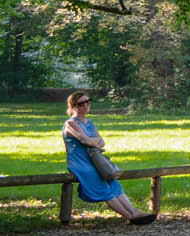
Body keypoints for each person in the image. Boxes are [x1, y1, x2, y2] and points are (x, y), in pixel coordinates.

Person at [61, 92, 153, 225]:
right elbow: (85, 140)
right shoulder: (71, 123)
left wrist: (92, 141)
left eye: (88, 101)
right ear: (73, 106)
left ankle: (135, 212)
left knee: (113, 184)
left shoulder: (89, 123)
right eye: (81, 103)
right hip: (80, 162)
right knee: (102, 188)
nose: (86, 105)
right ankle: (130, 216)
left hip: (94, 160)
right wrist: (93, 141)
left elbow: (101, 142)